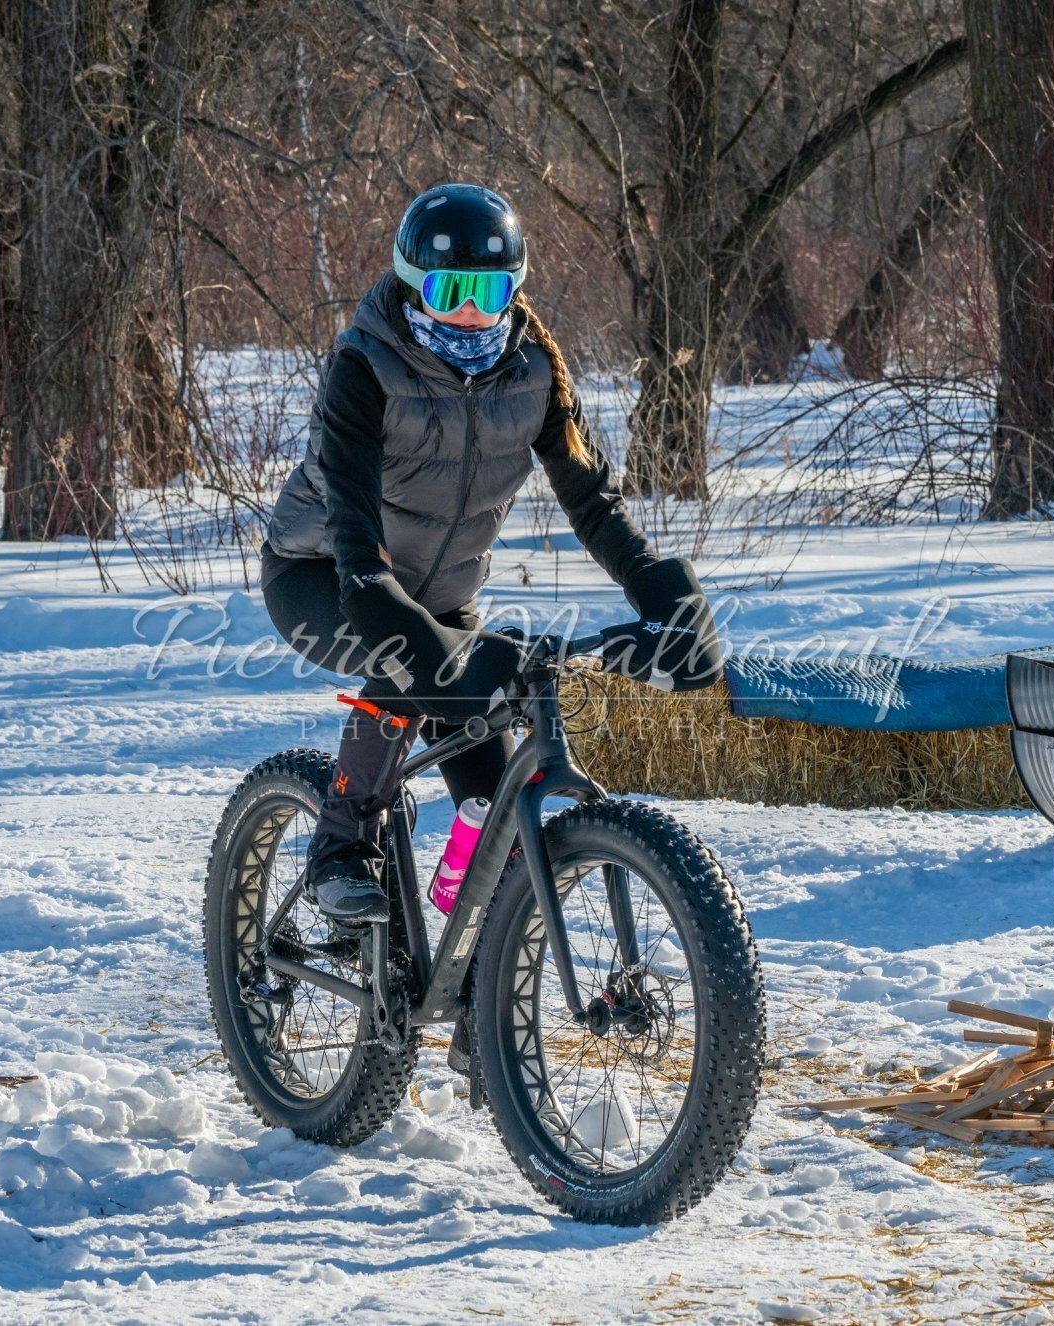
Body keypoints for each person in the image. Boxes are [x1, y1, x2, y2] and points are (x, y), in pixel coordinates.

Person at [262, 182, 722, 922]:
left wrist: (659, 589)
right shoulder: (365, 365)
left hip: (440, 596)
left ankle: (477, 999)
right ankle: (339, 846)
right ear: (415, 287)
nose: (472, 310)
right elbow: (352, 529)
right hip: (326, 575)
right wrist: (406, 623)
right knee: (406, 667)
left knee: (497, 809)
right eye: (451, 289)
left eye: (492, 289)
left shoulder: (531, 368)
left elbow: (590, 499)